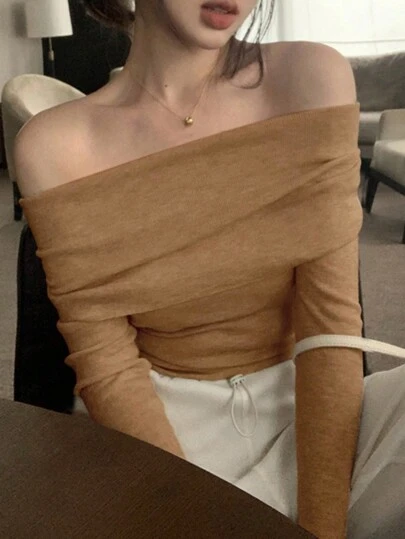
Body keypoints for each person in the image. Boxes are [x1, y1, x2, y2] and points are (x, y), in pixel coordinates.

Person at [13, 1, 405, 538]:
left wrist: (323, 528)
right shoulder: (56, 146)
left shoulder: (310, 78)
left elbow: (330, 326)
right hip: (166, 425)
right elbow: (108, 367)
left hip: (308, 403)